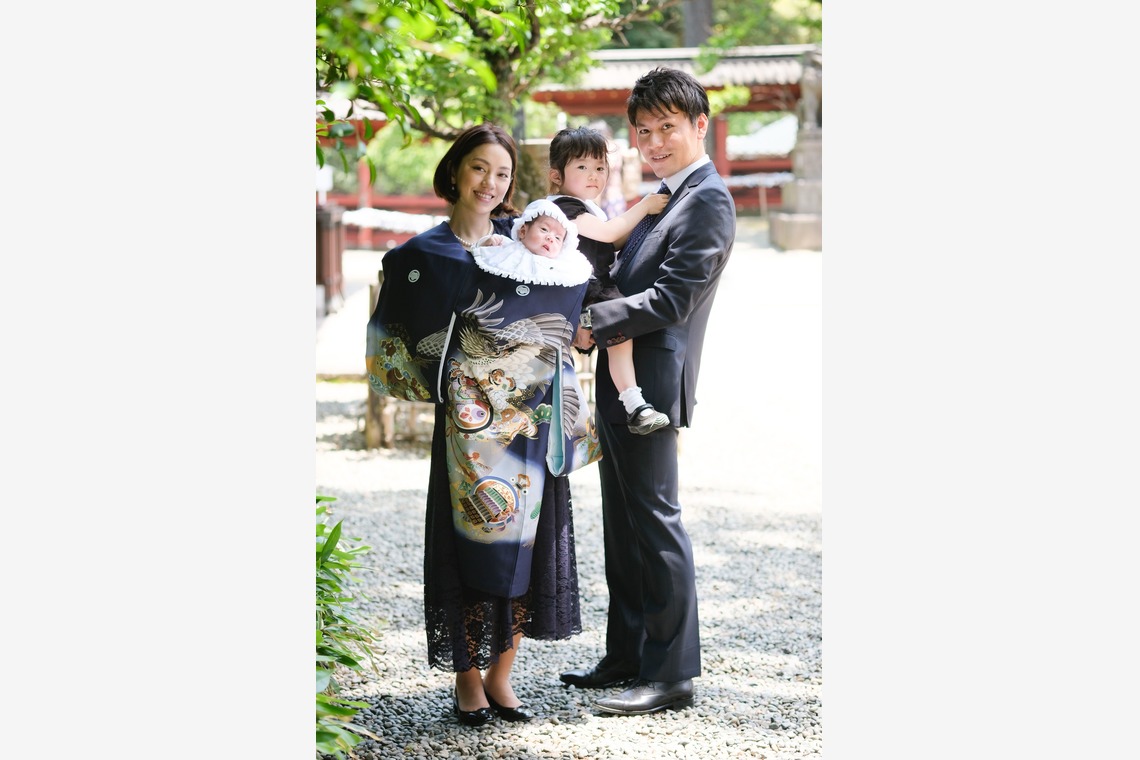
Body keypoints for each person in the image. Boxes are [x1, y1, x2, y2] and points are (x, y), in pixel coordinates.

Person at [365, 123, 599, 727]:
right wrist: (455, 373)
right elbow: (393, 342)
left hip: (528, 426)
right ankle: (468, 680)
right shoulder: (424, 255)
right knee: (466, 549)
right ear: (454, 172)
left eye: (501, 173)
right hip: (468, 433)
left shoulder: (531, 247)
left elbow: (572, 306)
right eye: (478, 169)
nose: (490, 184)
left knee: (529, 545)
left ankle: (502, 676)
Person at [558, 68, 737, 716]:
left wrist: (591, 323)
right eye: (644, 130)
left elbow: (671, 297)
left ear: (699, 125)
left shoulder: (707, 199)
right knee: (623, 519)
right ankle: (627, 652)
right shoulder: (666, 195)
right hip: (619, 372)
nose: (655, 140)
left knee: (656, 520)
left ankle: (671, 673)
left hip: (651, 382)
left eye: (668, 127)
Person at [545, 125, 672, 434]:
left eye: (600, 167)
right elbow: (609, 234)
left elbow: (610, 243)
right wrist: (644, 207)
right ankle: (633, 403)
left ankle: (633, 404)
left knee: (620, 341)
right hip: (584, 291)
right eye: (583, 167)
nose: (594, 175)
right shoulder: (565, 207)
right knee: (620, 336)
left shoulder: (589, 209)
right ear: (556, 176)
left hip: (596, 288)